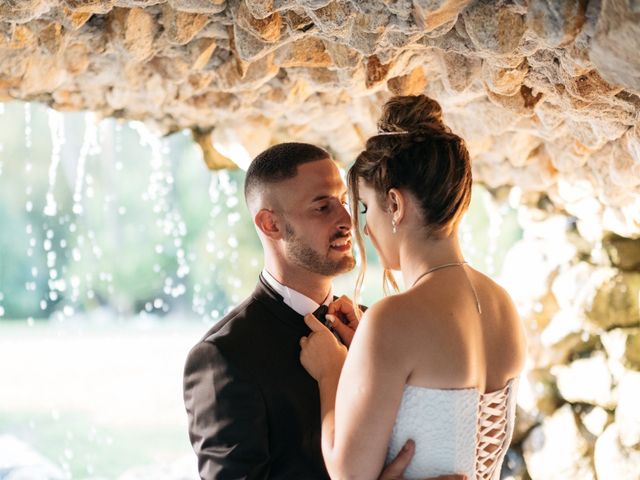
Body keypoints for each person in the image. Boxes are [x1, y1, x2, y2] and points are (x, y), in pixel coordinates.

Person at [182, 142, 466, 479]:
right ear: (271, 224)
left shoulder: (371, 324)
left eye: (345, 202)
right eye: (322, 207)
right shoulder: (223, 357)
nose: (347, 220)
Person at [299, 95, 527, 480]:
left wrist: (333, 371)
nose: (365, 229)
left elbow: (348, 474)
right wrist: (367, 357)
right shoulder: (502, 303)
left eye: (367, 209)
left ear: (395, 204)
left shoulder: (393, 318)